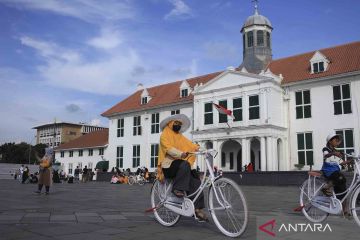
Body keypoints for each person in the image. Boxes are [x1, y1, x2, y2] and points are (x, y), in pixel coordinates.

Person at [157, 114, 208, 221]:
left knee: (195, 178)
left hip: (180, 164)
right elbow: (169, 148)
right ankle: (177, 188)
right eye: (176, 123)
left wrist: (200, 148)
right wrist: (180, 154)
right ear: (170, 124)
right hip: (168, 165)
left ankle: (197, 209)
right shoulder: (164, 135)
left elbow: (190, 145)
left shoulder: (180, 136)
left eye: (180, 124)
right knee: (185, 164)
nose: (178, 126)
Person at [321, 133, 351, 216]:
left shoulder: (336, 152)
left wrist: (349, 161)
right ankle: (325, 187)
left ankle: (344, 211)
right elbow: (326, 155)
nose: (337, 142)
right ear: (330, 141)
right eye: (336, 140)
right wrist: (334, 154)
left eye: (338, 140)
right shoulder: (325, 149)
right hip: (328, 171)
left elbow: (341, 163)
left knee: (343, 190)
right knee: (341, 178)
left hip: (336, 173)